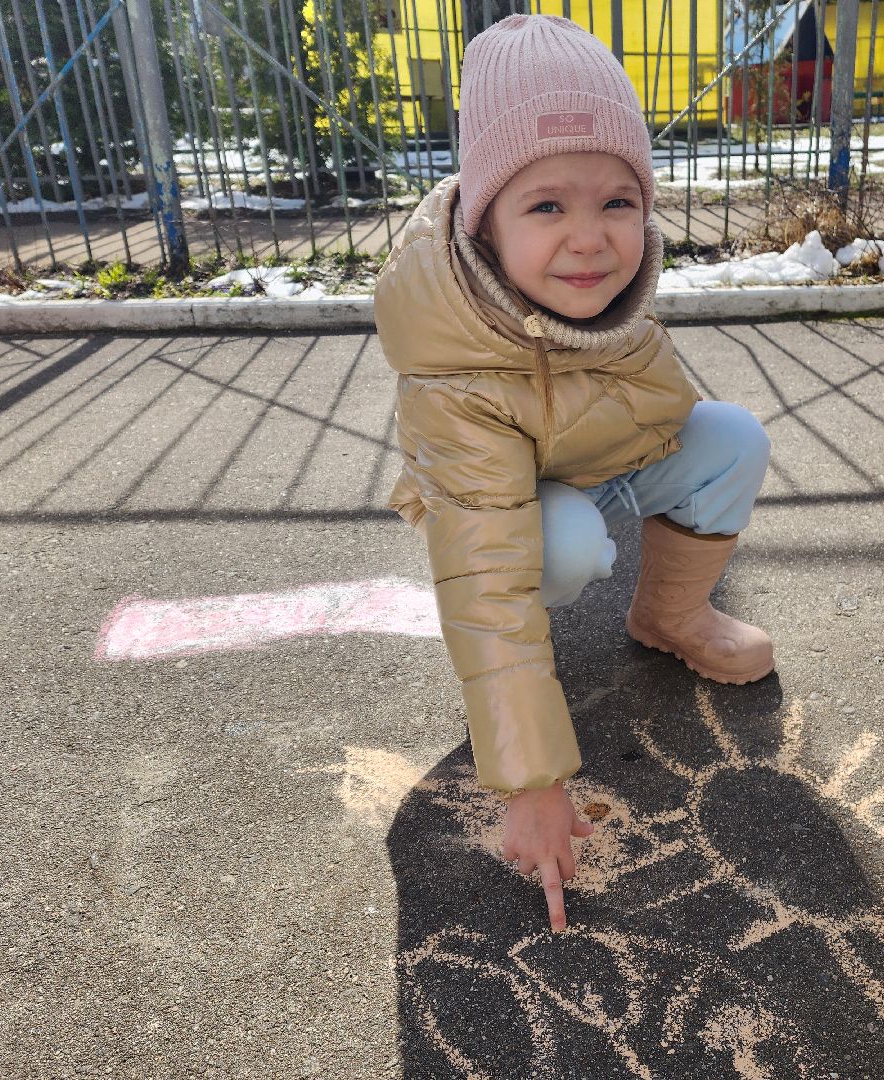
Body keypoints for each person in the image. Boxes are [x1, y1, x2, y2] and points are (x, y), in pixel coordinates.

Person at [373, 15, 773, 931]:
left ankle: (670, 615)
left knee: (733, 438)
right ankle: (528, 685)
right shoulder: (451, 367)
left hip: (596, 465)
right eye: (547, 206)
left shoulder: (603, 297)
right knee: (556, 547)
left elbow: (662, 416)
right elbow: (484, 567)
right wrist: (534, 779)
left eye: (617, 203)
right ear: (486, 221)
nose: (590, 239)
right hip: (504, 508)